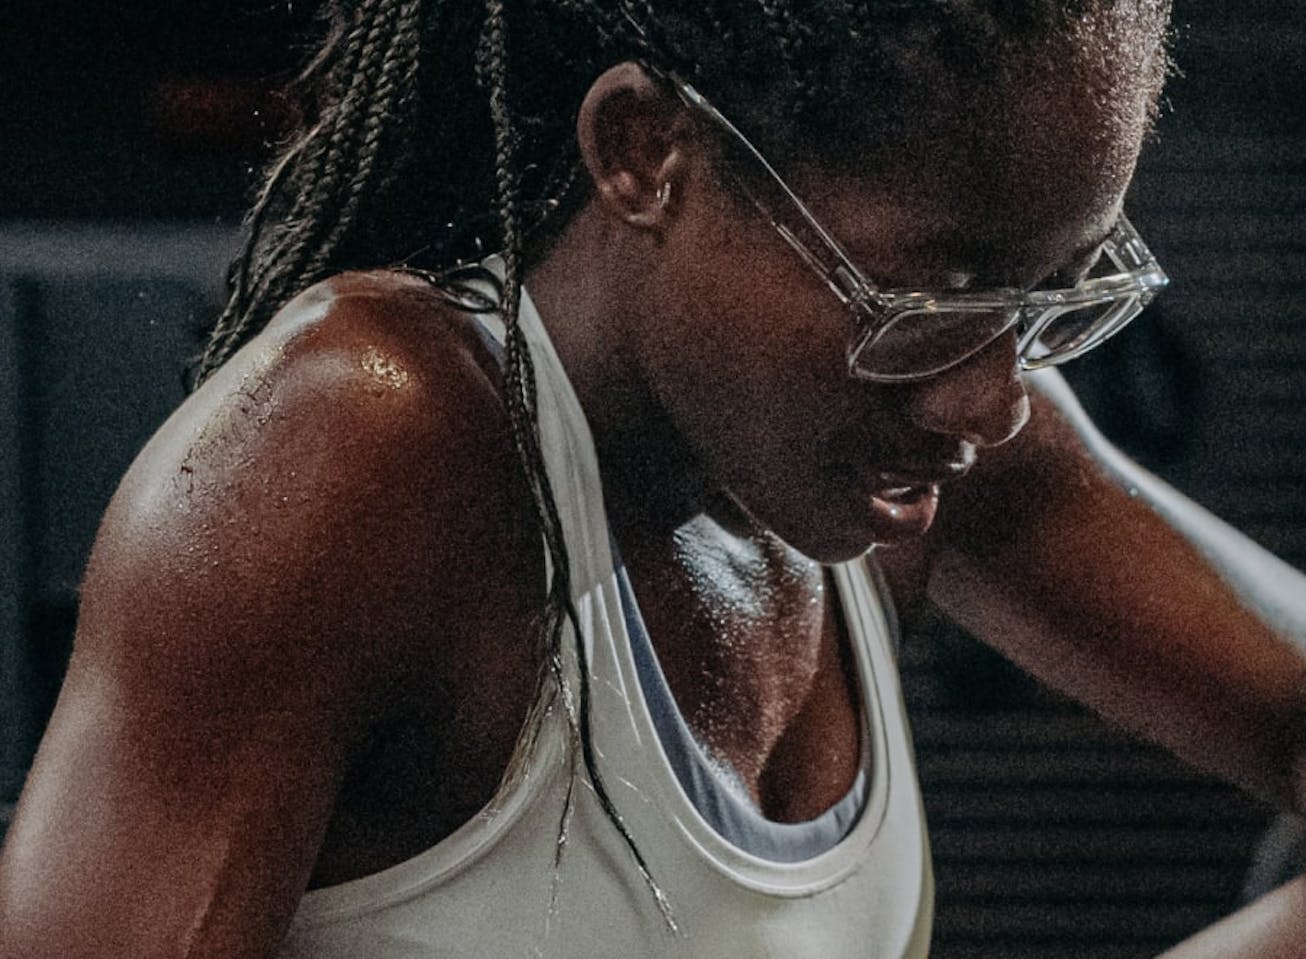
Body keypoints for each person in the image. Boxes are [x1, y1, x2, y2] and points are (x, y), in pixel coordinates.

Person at [2, 1, 1304, 956]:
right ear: (642, 151)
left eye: (1051, 294)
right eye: (928, 293)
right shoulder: (360, 446)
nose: (990, 395)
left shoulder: (934, 438)